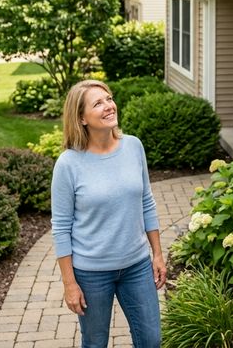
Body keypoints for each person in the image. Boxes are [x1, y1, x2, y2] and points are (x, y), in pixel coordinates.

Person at [51, 79, 166, 348]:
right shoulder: (68, 164)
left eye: (109, 98)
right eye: (98, 103)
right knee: (95, 343)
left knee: (151, 340)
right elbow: (61, 227)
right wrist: (70, 283)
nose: (109, 106)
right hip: (91, 273)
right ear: (81, 118)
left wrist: (157, 254)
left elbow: (146, 202)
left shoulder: (133, 146)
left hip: (136, 265)